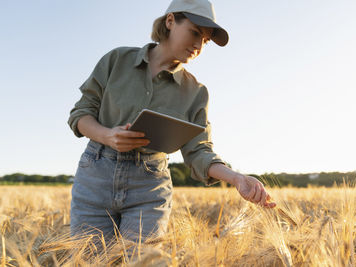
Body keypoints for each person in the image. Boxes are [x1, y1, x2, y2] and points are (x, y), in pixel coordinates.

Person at [68, 0, 276, 246]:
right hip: (95, 176)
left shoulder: (196, 93)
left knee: (142, 262)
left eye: (205, 41)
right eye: (195, 32)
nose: (198, 45)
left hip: (148, 187)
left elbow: (199, 151)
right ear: (170, 21)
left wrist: (237, 178)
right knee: (89, 260)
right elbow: (81, 113)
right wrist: (107, 135)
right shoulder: (117, 60)